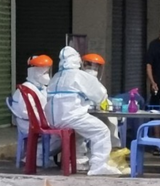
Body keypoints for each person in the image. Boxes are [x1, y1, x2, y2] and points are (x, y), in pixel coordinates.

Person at [46, 46, 121, 176]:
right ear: (78, 61)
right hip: (71, 117)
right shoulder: (79, 76)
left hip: (54, 119)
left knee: (80, 132)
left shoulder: (56, 77)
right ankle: (99, 165)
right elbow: (100, 94)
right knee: (101, 131)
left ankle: (78, 161)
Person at [10, 55, 61, 167]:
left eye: (47, 72)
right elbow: (26, 112)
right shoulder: (26, 89)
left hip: (41, 120)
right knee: (59, 136)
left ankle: (44, 156)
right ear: (33, 72)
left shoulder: (42, 88)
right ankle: (35, 156)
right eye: (43, 73)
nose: (47, 76)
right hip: (29, 123)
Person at [81, 53, 120, 149]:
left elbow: (103, 99)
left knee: (111, 121)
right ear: (83, 66)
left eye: (95, 68)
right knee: (102, 131)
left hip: (95, 114)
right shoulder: (78, 80)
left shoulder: (97, 84)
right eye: (89, 67)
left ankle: (113, 149)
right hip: (81, 115)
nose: (93, 71)